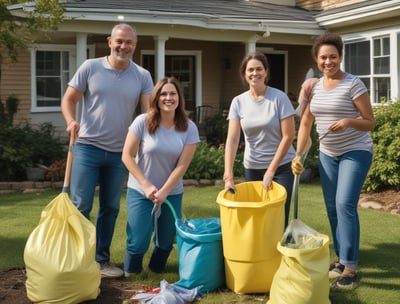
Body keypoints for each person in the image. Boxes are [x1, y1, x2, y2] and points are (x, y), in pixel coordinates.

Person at [61, 23, 154, 278]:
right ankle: (79, 260)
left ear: (135, 45)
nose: (124, 46)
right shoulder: (90, 67)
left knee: (111, 207)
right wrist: (71, 121)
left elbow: (147, 114)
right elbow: (69, 99)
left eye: (129, 43)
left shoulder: (142, 76)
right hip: (87, 147)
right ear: (109, 41)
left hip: (119, 153)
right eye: (119, 41)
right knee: (80, 206)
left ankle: (101, 260)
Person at [292, 33, 375, 289]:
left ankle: (350, 267)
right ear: (317, 60)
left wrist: (349, 121)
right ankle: (340, 258)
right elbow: (306, 121)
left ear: (341, 57)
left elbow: (370, 122)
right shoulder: (313, 86)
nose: (328, 61)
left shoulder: (353, 84)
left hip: (355, 150)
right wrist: (298, 154)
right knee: (331, 207)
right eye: (323, 57)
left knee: (344, 204)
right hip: (328, 153)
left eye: (333, 57)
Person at [121, 77, 199, 277]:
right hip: (140, 190)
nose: (168, 98)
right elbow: (127, 156)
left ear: (179, 98)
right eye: (163, 94)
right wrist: (146, 185)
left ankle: (156, 269)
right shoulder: (142, 122)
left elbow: (182, 165)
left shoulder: (189, 128)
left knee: (166, 241)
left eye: (173, 93)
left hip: (171, 191)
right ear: (156, 98)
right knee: (138, 240)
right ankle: (133, 271)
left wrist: (164, 191)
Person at [223, 51, 296, 228]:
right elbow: (232, 139)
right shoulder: (238, 102)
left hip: (282, 168)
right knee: (256, 218)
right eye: (250, 70)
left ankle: (279, 254)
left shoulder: (279, 98)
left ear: (266, 72)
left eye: (259, 69)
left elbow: (288, 136)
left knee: (278, 217)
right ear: (244, 74)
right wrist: (228, 174)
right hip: (253, 168)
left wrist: (271, 170)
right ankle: (260, 255)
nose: (255, 73)